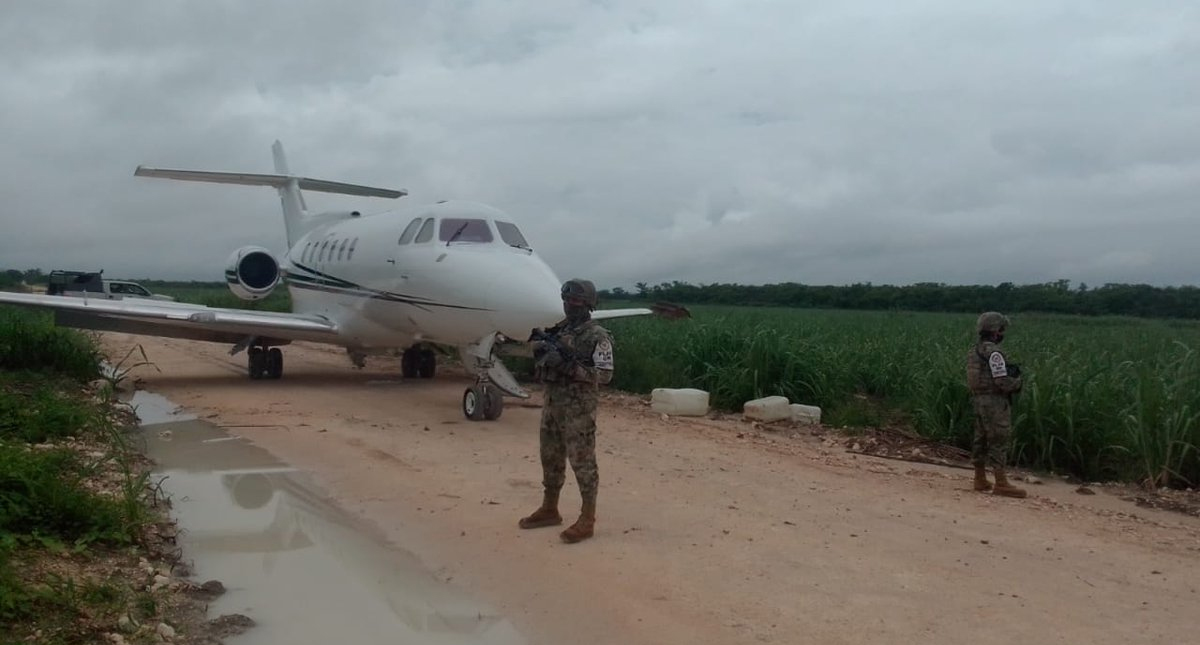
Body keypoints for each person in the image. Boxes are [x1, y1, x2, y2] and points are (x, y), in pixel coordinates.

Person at [519, 279, 614, 543]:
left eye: (576, 301)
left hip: (579, 409)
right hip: (553, 404)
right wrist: (541, 355)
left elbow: (605, 376)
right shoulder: (559, 330)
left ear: (589, 304)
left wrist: (569, 367)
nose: (570, 305)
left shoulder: (597, 336)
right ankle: (550, 508)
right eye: (567, 300)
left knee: (582, 462)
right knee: (550, 457)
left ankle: (587, 519)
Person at [967, 311, 1026, 498]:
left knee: (980, 438)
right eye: (1001, 330)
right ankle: (1001, 482)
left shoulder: (974, 351)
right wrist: (1017, 383)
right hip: (994, 402)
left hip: (978, 400)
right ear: (995, 331)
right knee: (999, 439)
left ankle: (980, 478)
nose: (1002, 333)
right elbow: (1001, 381)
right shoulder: (995, 353)